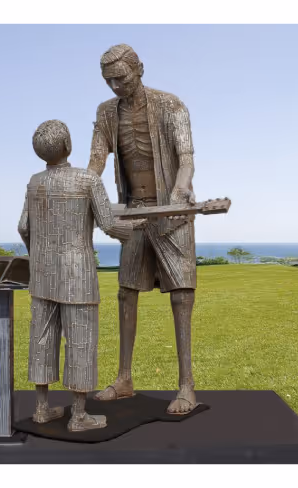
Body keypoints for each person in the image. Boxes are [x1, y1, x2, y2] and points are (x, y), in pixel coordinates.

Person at [88, 44, 199, 414]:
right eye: (108, 80)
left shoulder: (171, 105)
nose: (115, 86)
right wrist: (84, 189)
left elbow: (186, 158)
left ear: (139, 70)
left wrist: (180, 190)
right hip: (134, 212)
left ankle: (186, 385)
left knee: (181, 295)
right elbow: (96, 161)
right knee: (126, 293)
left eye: (121, 78)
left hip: (172, 214)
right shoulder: (106, 113)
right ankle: (124, 379)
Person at [18, 119, 142, 431]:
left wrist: (37, 255)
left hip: (42, 275)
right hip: (78, 276)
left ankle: (42, 408)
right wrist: (135, 228)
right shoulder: (87, 180)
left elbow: (23, 227)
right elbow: (109, 223)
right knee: (81, 341)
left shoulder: (34, 182)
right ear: (68, 145)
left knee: (42, 340)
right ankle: (78, 415)